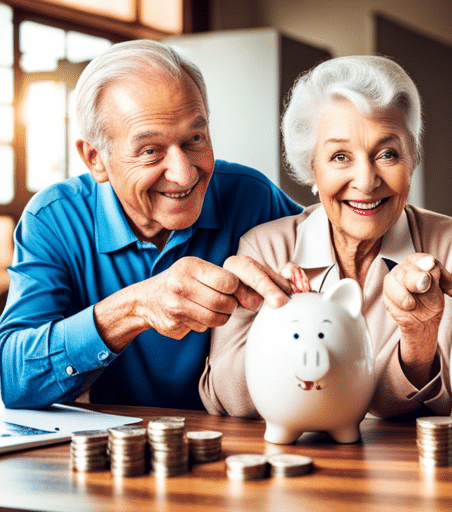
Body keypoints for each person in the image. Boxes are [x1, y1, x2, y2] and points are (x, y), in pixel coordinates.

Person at [0, 40, 302, 410]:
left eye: (195, 139)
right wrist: (135, 307)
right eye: (150, 151)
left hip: (245, 437)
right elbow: (13, 378)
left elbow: (338, 247)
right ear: (95, 158)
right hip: (120, 446)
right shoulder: (53, 218)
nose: (185, 173)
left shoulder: (251, 195)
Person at [200, 55, 452, 419]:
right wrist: (287, 328)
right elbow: (226, 395)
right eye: (340, 156)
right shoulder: (265, 247)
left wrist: (417, 343)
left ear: (412, 160)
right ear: (311, 166)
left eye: (388, 154)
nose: (366, 181)